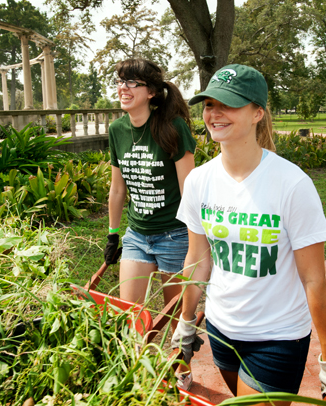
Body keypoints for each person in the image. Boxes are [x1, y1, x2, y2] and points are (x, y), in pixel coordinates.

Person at [171, 64, 326, 405]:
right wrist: (186, 321)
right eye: (210, 104)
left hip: (278, 337)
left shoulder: (292, 184)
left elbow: (314, 280)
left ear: (258, 112)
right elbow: (198, 261)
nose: (215, 113)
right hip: (221, 331)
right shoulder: (200, 180)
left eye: (228, 104)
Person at [104, 58, 197, 389]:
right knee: (133, 318)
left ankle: (181, 369)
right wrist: (114, 235)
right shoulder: (117, 130)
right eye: (121, 81)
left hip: (175, 236)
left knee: (176, 320)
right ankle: (139, 374)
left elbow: (189, 190)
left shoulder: (172, 128)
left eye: (133, 83)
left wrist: (196, 240)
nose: (124, 88)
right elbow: (118, 189)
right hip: (137, 236)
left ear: (153, 93)